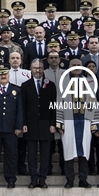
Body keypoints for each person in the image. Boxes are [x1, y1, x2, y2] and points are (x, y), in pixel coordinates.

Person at [56, 59, 99, 188]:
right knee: (68, 150)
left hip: (85, 120)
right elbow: (59, 102)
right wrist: (59, 122)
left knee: (85, 151)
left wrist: (95, 124)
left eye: (78, 65)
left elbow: (94, 103)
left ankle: (83, 179)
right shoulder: (63, 82)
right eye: (73, 65)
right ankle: (69, 179)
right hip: (68, 121)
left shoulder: (90, 82)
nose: (76, 67)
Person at [21, 59, 57, 189]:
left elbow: (54, 105)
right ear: (31, 69)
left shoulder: (51, 85)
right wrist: (23, 123)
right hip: (30, 125)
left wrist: (53, 123)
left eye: (40, 68)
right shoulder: (25, 85)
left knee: (45, 154)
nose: (38, 70)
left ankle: (42, 179)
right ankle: (33, 178)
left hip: (46, 124)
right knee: (31, 154)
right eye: (35, 68)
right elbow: (23, 107)